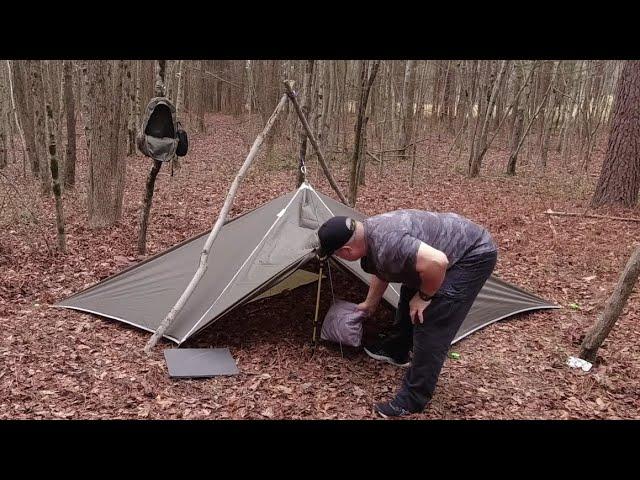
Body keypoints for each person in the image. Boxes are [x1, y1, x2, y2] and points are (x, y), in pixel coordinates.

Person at [316, 211, 497, 417]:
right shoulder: (369, 233)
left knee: (432, 320)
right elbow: (382, 269)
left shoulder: (389, 243)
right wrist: (370, 303)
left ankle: (412, 400)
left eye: (338, 254)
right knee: (409, 290)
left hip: (472, 255)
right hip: (445, 247)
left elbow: (437, 262)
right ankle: (398, 350)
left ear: (346, 251)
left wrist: (425, 296)